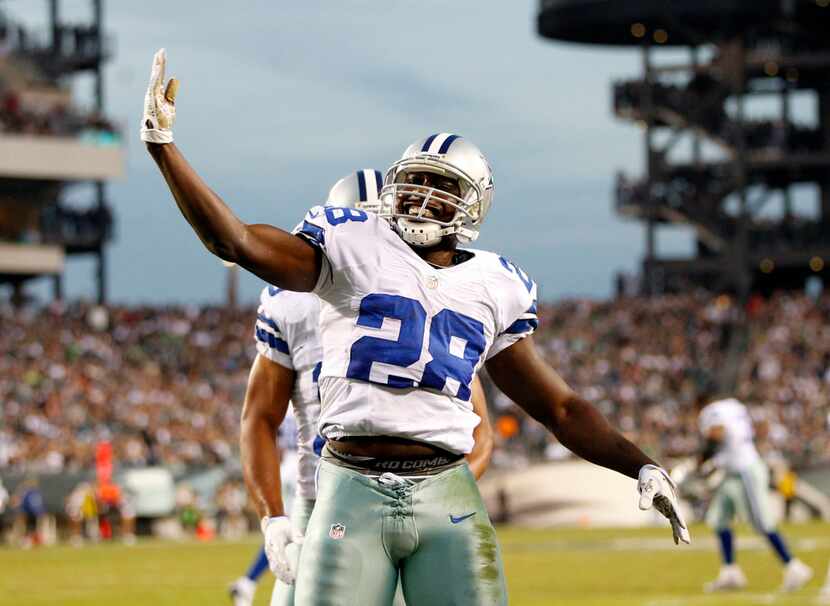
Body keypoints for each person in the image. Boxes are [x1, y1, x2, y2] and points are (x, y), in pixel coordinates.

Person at [142, 49, 687, 606]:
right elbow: (235, 241)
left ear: (472, 205)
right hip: (350, 485)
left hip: (447, 493)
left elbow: (561, 409)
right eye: (415, 181)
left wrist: (639, 463)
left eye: (440, 186)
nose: (423, 196)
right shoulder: (354, 245)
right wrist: (166, 151)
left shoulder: (496, 284)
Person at [230, 170, 495, 606]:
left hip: (411, 509)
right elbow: (259, 416)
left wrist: (434, 492)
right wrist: (273, 518)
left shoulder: (429, 300)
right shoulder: (290, 304)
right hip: (323, 502)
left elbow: (478, 433)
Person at [696, 392, 812, 592]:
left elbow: (717, 432)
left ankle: (793, 566)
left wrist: (703, 457)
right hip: (733, 472)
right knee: (719, 519)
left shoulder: (710, 411)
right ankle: (730, 573)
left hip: (745, 472)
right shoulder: (733, 405)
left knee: (761, 522)